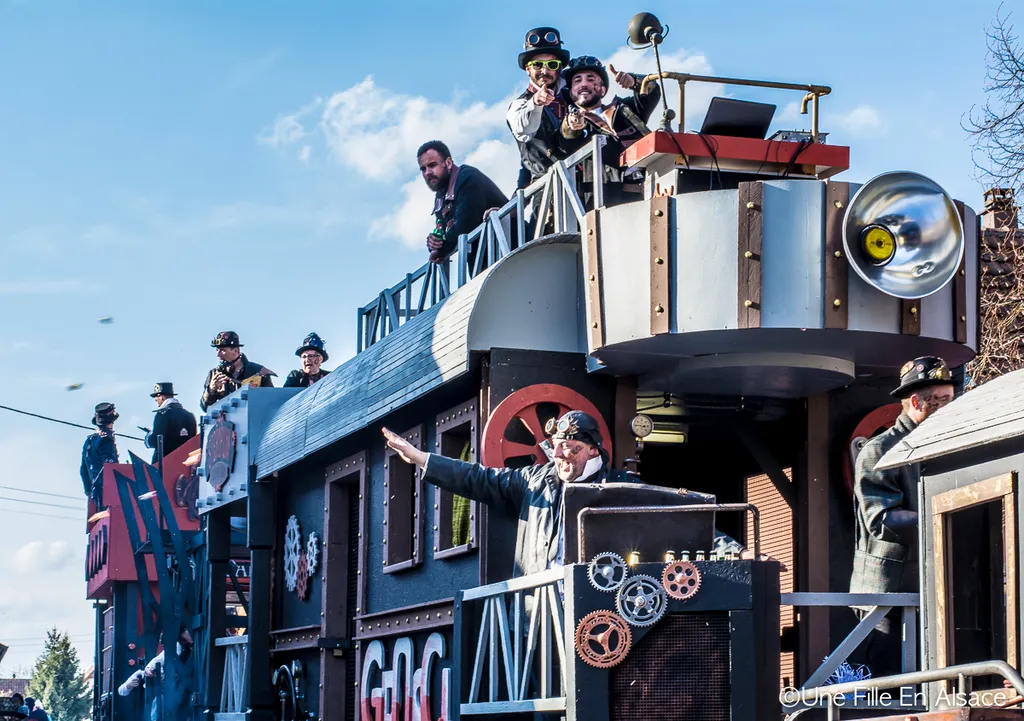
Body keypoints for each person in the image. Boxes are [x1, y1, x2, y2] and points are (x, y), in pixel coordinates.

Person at [384, 410, 743, 580]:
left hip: (598, 610)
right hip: (537, 613)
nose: (560, 455)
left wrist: (736, 551)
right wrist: (421, 458)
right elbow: (476, 478)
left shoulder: (620, 487)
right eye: (557, 447)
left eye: (570, 447)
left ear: (592, 451)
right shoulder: (531, 481)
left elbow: (677, 520)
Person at [849, 356, 955, 677]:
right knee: (892, 685)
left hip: (935, 589)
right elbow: (881, 520)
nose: (949, 409)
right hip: (888, 600)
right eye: (940, 402)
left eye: (950, 400)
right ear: (914, 401)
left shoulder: (949, 444)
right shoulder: (879, 451)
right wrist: (942, 518)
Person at [559, 56, 660, 207]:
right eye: (577, 80)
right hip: (606, 203)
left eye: (591, 79)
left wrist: (634, 81)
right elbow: (565, 139)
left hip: (650, 192)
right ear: (571, 91)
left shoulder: (625, 110)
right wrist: (571, 125)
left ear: (603, 89)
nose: (584, 84)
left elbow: (652, 91)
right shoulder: (574, 121)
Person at [418, 141, 508, 269]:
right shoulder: (440, 196)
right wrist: (434, 243)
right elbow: (447, 235)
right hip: (485, 265)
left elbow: (465, 226)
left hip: (510, 254)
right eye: (423, 169)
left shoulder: (467, 178)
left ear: (448, 163)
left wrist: (443, 239)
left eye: (432, 165)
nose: (427, 172)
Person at [506, 27, 572, 189]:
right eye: (537, 65)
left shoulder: (573, 92)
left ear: (560, 67)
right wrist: (535, 103)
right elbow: (523, 127)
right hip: (549, 193)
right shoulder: (519, 105)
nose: (545, 70)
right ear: (528, 69)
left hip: (587, 185)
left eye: (552, 64)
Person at [200, 331, 275, 412]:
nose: (218, 355)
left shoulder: (258, 372)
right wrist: (210, 390)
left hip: (253, 421)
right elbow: (205, 408)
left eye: (222, 350)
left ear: (236, 351)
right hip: (225, 423)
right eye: (217, 350)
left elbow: (271, 402)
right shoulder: (214, 375)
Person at [142, 383, 197, 463]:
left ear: (162, 397)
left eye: (157, 396)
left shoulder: (163, 414)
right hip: (186, 464)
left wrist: (148, 438)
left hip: (165, 464)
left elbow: (156, 440)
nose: (155, 399)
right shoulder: (189, 415)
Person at [80, 402, 119, 507]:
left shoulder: (88, 441)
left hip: (95, 491)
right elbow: (110, 466)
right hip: (107, 491)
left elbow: (83, 470)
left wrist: (89, 491)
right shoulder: (106, 439)